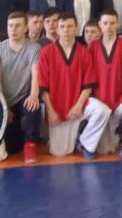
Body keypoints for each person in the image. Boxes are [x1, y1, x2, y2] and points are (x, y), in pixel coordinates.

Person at [32, 12, 110, 159]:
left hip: (79, 103)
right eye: (62, 27)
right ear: (57, 29)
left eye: (70, 26)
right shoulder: (46, 53)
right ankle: (69, 139)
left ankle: (85, 142)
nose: (66, 30)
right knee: (60, 153)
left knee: (102, 111)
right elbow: (43, 87)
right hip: (57, 108)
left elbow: (88, 86)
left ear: (76, 28)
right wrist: (50, 111)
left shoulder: (84, 52)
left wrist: (79, 105)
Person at [0, 12, 44, 162]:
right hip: (4, 98)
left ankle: (31, 144)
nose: (13, 29)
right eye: (10, 26)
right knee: (13, 148)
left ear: (25, 28)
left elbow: (36, 75)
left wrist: (33, 95)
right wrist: (5, 107)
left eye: (17, 26)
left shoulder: (34, 48)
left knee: (34, 106)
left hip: (23, 97)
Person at [89, 11, 122, 156]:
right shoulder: (93, 46)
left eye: (112, 23)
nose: (109, 26)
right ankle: (114, 136)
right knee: (105, 150)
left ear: (118, 24)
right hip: (101, 102)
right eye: (105, 23)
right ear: (100, 25)